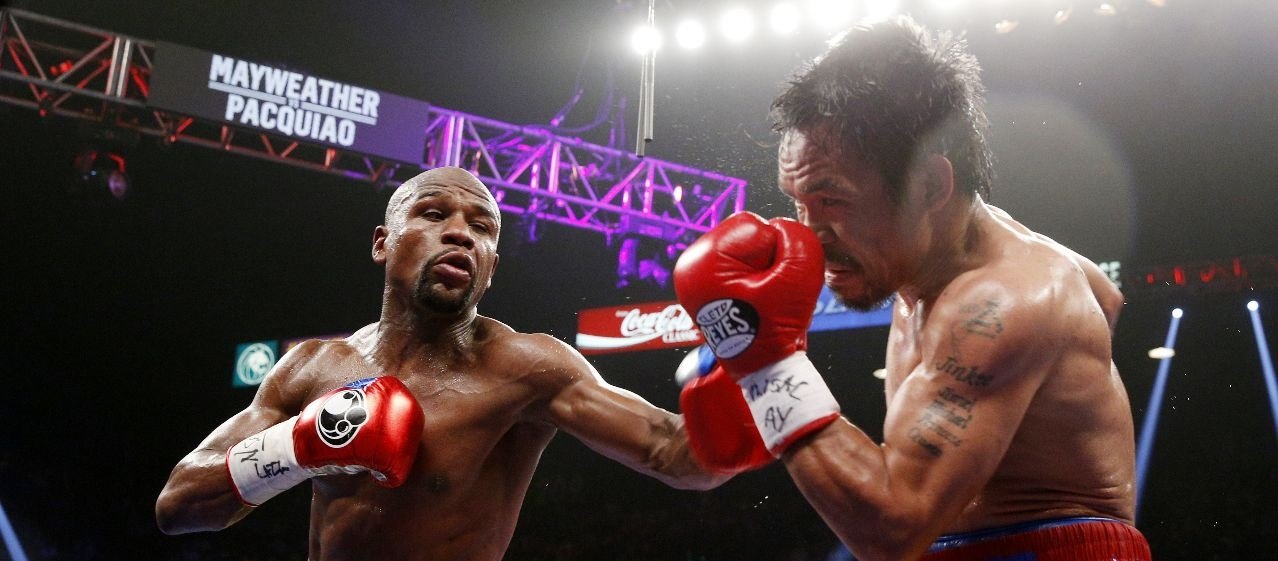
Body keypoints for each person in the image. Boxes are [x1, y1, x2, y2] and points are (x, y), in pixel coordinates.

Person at [671, 15, 1151, 561]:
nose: (809, 232)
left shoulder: (1002, 299)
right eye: (798, 202)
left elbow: (891, 532)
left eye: (833, 201)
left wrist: (767, 365)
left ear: (929, 185)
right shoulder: (961, 259)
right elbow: (1103, 296)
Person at [154, 166, 741, 560]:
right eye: (434, 214)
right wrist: (301, 446)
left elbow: (683, 458)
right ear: (383, 242)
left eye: (481, 227)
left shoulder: (527, 367)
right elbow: (179, 506)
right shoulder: (312, 368)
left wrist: (761, 365)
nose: (460, 233)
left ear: (491, 264)